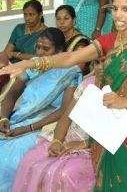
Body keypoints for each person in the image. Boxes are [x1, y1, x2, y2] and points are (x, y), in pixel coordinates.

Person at [0, 0, 127, 191]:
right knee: (106, 183)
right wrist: (30, 63)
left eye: (126, 9)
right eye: (114, 9)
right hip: (105, 129)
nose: (118, 16)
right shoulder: (107, 42)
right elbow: (71, 57)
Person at [0, 28, 82, 190]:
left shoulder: (70, 73)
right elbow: (11, 95)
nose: (40, 53)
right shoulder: (33, 66)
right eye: (38, 47)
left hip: (45, 126)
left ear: (60, 51)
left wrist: (27, 128)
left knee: (10, 159)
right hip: (19, 120)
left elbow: (64, 111)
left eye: (46, 49)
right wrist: (3, 118)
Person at [12, 42, 96, 192]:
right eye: (99, 62)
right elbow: (66, 115)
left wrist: (82, 144)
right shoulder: (88, 83)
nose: (102, 67)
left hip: (94, 146)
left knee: (61, 174)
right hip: (70, 137)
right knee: (29, 161)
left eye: (106, 62)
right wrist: (57, 140)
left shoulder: (123, 89)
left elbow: (114, 134)